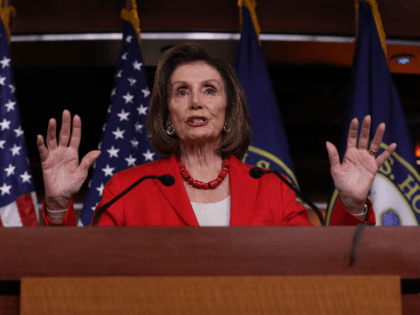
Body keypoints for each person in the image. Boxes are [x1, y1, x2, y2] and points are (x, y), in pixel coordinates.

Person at [37, 43, 396, 226]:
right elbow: (83, 274)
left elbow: (321, 268)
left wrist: (351, 204)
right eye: (181, 92)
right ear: (167, 116)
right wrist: (56, 207)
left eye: (209, 90)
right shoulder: (127, 190)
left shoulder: (274, 189)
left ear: (228, 111)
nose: (196, 102)